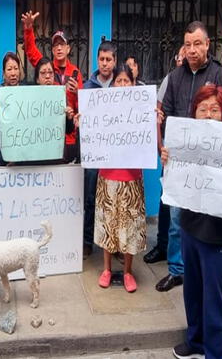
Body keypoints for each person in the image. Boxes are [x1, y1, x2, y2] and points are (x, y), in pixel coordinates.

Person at [165, 85, 222, 359]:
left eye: (214, 110)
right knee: (192, 294)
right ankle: (195, 343)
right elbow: (175, 185)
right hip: (191, 231)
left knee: (215, 302)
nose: (207, 115)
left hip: (218, 239)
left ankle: (216, 354)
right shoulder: (186, 145)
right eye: (202, 109)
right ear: (194, 113)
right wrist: (169, 161)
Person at [156, 21, 222, 292]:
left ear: (207, 44)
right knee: (177, 216)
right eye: (187, 44)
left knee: (205, 216)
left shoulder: (219, 75)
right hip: (179, 161)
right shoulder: (175, 77)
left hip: (210, 163)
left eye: (197, 44)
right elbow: (165, 115)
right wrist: (165, 146)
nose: (192, 50)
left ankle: (200, 266)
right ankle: (177, 270)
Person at [82, 64, 147, 293]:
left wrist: (155, 121)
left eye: (125, 81)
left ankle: (128, 272)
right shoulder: (102, 111)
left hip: (132, 178)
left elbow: (148, 140)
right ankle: (107, 269)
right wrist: (84, 124)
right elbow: (91, 134)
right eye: (118, 81)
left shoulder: (142, 110)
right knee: (107, 225)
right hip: (107, 176)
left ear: (132, 83)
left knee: (129, 226)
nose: (121, 84)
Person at [21, 10, 82, 162]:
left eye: (62, 45)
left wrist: (77, 93)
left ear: (69, 49)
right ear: (52, 50)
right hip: (46, 137)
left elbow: (81, 106)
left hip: (69, 138)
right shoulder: (46, 68)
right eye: (55, 46)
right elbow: (30, 51)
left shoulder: (75, 73)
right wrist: (28, 29)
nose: (59, 48)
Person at [143, 45, 185, 265]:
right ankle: (162, 245)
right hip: (171, 149)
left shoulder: (207, 79)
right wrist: (160, 146)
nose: (184, 58)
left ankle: (181, 256)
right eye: (181, 54)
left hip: (192, 153)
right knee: (165, 199)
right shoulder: (170, 80)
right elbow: (158, 114)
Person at [82, 40, 116, 259]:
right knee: (91, 198)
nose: (105, 64)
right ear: (97, 60)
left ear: (115, 60)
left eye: (109, 59)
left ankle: (115, 245)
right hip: (94, 154)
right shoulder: (87, 87)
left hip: (116, 154)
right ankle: (87, 242)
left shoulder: (122, 86)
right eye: (101, 59)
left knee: (114, 200)